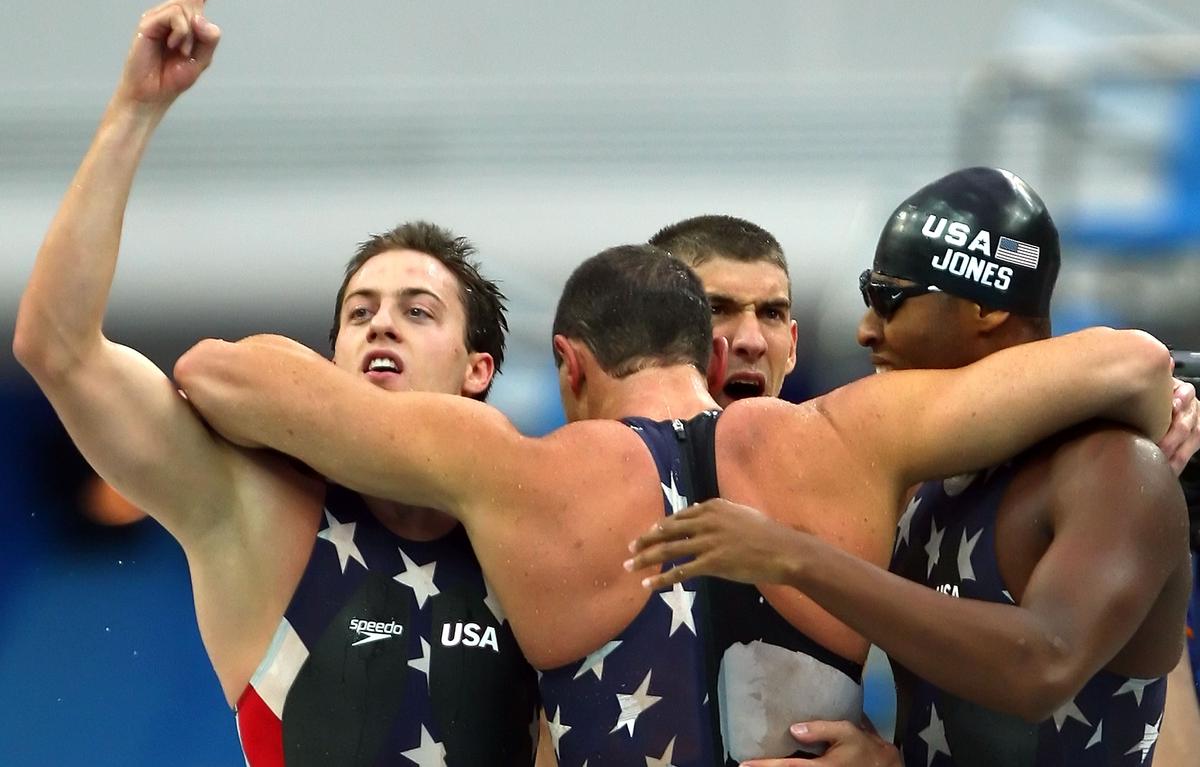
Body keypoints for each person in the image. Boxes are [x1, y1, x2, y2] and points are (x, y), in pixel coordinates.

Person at [176, 223, 1175, 764]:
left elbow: (221, 373)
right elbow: (1123, 359)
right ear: (709, 351)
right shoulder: (849, 434)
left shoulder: (510, 469)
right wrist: (1172, 399)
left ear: (568, 365)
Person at [12, 0, 540, 764]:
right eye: (359, 311)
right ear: (330, 357)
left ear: (480, 370)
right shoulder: (258, 514)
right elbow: (58, 348)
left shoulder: (542, 534)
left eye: (418, 309)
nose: (381, 324)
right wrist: (133, 111)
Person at [628, 167, 1195, 765]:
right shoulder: (927, 485)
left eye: (888, 301)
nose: (865, 330)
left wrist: (794, 556)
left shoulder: (1112, 469)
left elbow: (1040, 665)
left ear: (983, 308)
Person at [649, 215, 797, 408]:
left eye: (771, 314)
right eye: (715, 310)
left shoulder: (825, 437)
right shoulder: (607, 437)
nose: (752, 342)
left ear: (792, 348)